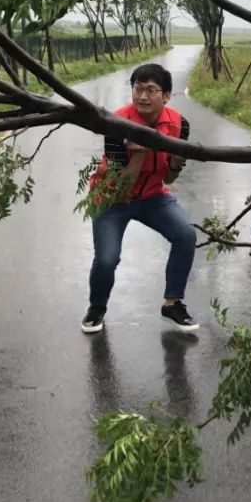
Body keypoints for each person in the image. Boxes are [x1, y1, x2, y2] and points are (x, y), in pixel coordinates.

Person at [81, 63, 198, 334]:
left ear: (166, 95)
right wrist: (139, 154)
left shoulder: (180, 126)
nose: (143, 96)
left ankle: (172, 303)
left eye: (151, 90)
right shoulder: (116, 124)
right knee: (107, 259)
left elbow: (168, 179)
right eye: (137, 89)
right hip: (112, 198)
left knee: (185, 235)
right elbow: (121, 190)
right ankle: (96, 307)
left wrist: (177, 161)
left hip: (154, 195)